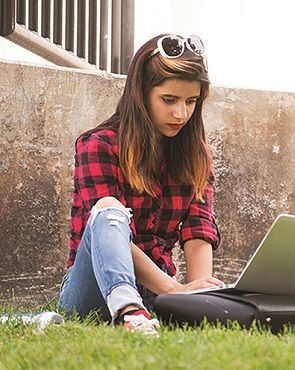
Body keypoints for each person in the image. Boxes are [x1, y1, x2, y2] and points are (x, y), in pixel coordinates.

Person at [58, 33, 224, 336]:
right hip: (92, 291)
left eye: (191, 101)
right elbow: (106, 230)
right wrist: (173, 289)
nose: (181, 113)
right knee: (108, 210)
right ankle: (129, 310)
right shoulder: (99, 145)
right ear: (141, 93)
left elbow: (198, 229)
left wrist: (199, 299)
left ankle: (139, 313)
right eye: (169, 100)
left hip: (158, 290)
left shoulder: (196, 156)